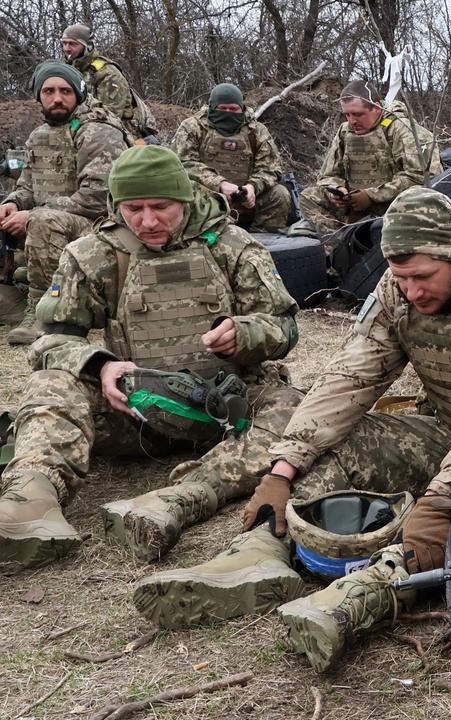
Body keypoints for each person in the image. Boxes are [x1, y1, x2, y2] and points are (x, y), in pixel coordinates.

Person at [133, 187, 451, 673]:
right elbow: (350, 379)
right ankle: (264, 549)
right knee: (345, 441)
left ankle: (367, 592)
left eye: (423, 277)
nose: (411, 291)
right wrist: (283, 466)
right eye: (401, 278)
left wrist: (444, 496)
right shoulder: (396, 288)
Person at [0, 145, 302, 570]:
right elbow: (51, 340)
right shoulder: (94, 254)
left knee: (295, 410)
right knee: (50, 384)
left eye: (161, 207)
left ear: (184, 198)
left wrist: (247, 333)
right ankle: (31, 502)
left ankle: (182, 495)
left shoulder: (231, 245)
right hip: (134, 414)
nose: (147, 221)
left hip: (226, 415)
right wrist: (101, 365)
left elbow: (285, 326)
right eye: (133, 208)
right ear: (116, 205)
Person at [0, 60, 129, 345]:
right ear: (39, 96)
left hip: (100, 227)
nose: (57, 98)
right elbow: (26, 186)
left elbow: (97, 197)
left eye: (65, 91)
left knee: (42, 220)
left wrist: (33, 214)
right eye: (49, 91)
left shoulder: (98, 130)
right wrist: (13, 203)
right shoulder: (39, 135)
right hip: (53, 225)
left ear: (78, 94)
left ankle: (47, 313)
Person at [296, 80, 440, 236]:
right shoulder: (345, 132)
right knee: (309, 196)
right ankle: (340, 244)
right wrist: (337, 190)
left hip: (393, 204)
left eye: (358, 114)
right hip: (354, 204)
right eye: (347, 114)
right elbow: (327, 175)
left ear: (377, 108)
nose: (352, 121)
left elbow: (422, 178)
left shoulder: (404, 130)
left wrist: (372, 196)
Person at [172, 83, 293, 232]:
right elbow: (183, 164)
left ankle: (265, 242)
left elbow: (271, 168)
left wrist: (252, 187)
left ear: (241, 108)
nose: (228, 113)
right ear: (212, 107)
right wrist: (219, 184)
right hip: (208, 199)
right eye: (222, 109)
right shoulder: (192, 128)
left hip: (248, 200)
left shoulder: (256, 131)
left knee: (279, 194)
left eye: (233, 109)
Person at [58, 23, 156, 140]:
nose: (67, 48)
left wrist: (73, 125)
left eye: (73, 44)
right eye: (64, 43)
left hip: (118, 135)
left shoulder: (107, 73)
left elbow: (110, 116)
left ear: (87, 46)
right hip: (83, 129)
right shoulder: (69, 71)